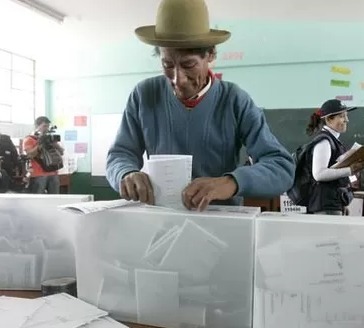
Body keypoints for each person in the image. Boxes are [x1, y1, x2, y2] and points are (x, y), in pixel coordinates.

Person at [106, 0, 294, 211]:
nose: (178, 79)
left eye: (188, 65)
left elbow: (281, 168)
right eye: (168, 65)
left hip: (221, 222)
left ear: (211, 55)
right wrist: (125, 173)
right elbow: (119, 155)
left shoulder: (234, 100)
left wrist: (230, 182)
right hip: (161, 220)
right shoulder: (144, 95)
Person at [304, 99, 364, 215]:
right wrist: (350, 170)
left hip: (333, 202)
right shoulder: (324, 141)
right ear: (329, 119)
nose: (347, 120)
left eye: (346, 116)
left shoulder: (333, 140)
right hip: (325, 204)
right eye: (342, 116)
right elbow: (319, 174)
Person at [23, 116, 64, 194]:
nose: (47, 128)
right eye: (44, 126)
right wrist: (40, 145)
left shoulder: (49, 138)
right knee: (38, 199)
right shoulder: (29, 139)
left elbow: (61, 152)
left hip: (53, 172)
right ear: (37, 126)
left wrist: (55, 144)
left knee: (54, 198)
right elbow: (29, 155)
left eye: (48, 126)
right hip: (38, 174)